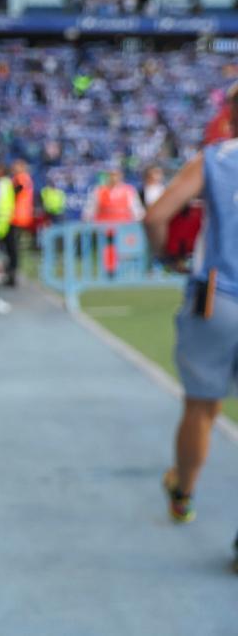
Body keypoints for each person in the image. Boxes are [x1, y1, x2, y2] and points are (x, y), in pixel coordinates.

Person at [144, 91, 238, 559]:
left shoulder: (214, 160)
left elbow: (157, 214)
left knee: (201, 408)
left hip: (217, 296)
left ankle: (183, 494)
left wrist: (165, 256)